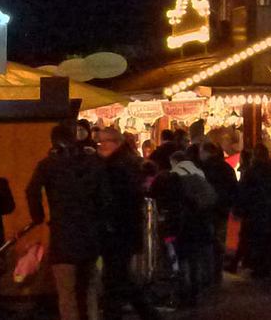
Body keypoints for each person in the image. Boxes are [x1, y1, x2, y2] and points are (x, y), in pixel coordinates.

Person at [26, 123, 107, 320]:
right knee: (89, 291)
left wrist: (38, 217)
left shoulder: (48, 164)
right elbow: (105, 195)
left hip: (63, 234)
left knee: (66, 293)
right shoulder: (92, 162)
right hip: (90, 234)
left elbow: (31, 191)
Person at [96, 126, 160, 320]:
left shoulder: (117, 166)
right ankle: (145, 313)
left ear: (116, 143)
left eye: (105, 141)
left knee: (115, 277)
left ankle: (137, 313)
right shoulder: (126, 163)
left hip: (118, 229)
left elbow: (118, 199)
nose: (101, 145)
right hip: (125, 229)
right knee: (119, 276)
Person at [151, 149, 217, 307]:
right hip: (199, 224)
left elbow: (168, 206)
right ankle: (194, 291)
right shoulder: (198, 174)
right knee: (194, 259)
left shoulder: (172, 180)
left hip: (183, 227)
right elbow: (211, 197)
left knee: (181, 261)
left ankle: (184, 294)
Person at [235, 143, 271, 278]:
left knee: (256, 240)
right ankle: (267, 267)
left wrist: (240, 209)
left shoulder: (251, 171)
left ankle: (258, 268)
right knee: (268, 240)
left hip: (255, 211)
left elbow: (243, 191)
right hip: (270, 210)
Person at [198, 140, 238, 283]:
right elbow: (234, 188)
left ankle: (208, 272)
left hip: (207, 209)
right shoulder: (226, 168)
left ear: (205, 152)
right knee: (219, 239)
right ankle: (216, 272)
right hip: (222, 209)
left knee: (207, 240)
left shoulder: (203, 168)